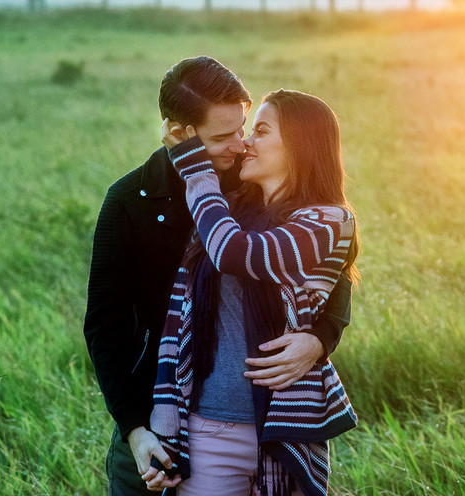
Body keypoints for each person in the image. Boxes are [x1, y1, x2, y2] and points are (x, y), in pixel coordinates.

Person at [85, 58, 352, 496]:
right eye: (222, 137)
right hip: (155, 407)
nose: (240, 145)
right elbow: (104, 325)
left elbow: (325, 273)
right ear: (178, 132)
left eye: (243, 128)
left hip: (256, 413)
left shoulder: (249, 184)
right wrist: (135, 429)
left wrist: (321, 336)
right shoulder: (129, 201)